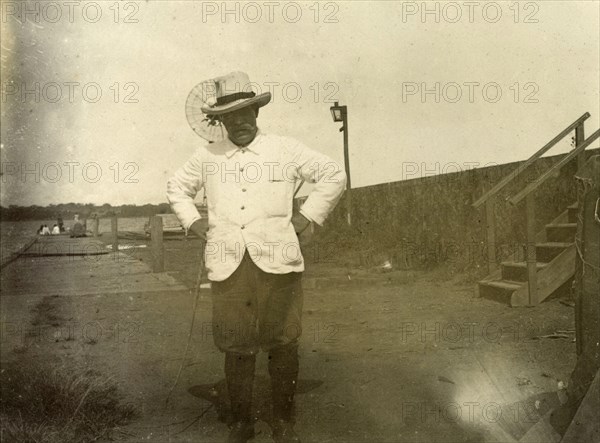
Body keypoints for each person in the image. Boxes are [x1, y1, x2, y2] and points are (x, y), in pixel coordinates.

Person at [167, 71, 346, 443]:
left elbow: (333, 174)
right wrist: (193, 222)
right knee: (236, 343)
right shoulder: (206, 156)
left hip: (279, 260)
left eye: (247, 113)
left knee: (283, 340)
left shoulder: (285, 149)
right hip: (228, 262)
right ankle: (240, 422)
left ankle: (283, 420)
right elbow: (177, 187)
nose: (241, 122)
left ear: (257, 113)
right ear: (220, 121)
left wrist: (308, 215)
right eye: (232, 116)